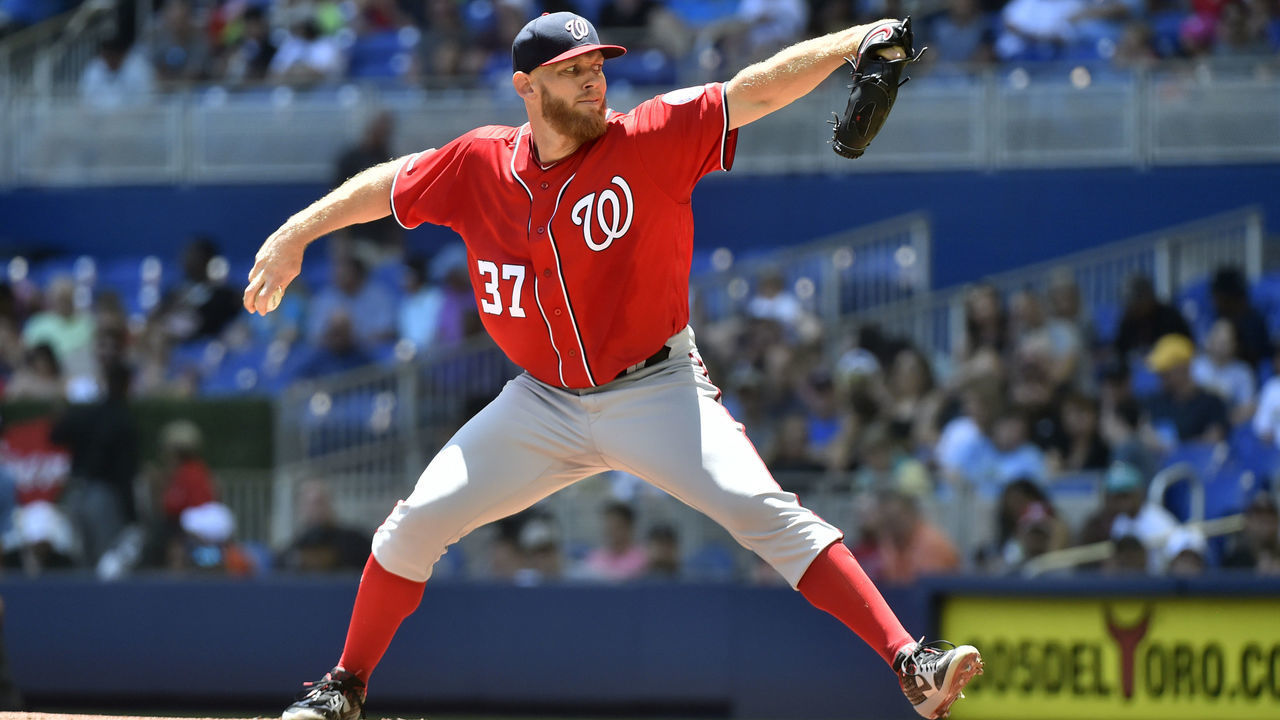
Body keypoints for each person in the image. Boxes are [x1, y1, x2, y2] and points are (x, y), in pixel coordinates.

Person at [243, 12, 981, 720]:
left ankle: (910, 661)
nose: (594, 82)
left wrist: (855, 40)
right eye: (571, 72)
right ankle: (344, 686)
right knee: (412, 526)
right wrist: (294, 234)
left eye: (597, 66)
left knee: (764, 511)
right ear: (526, 87)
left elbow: (752, 88)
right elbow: (387, 184)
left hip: (656, 389)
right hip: (541, 403)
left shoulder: (651, 138)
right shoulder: (478, 163)